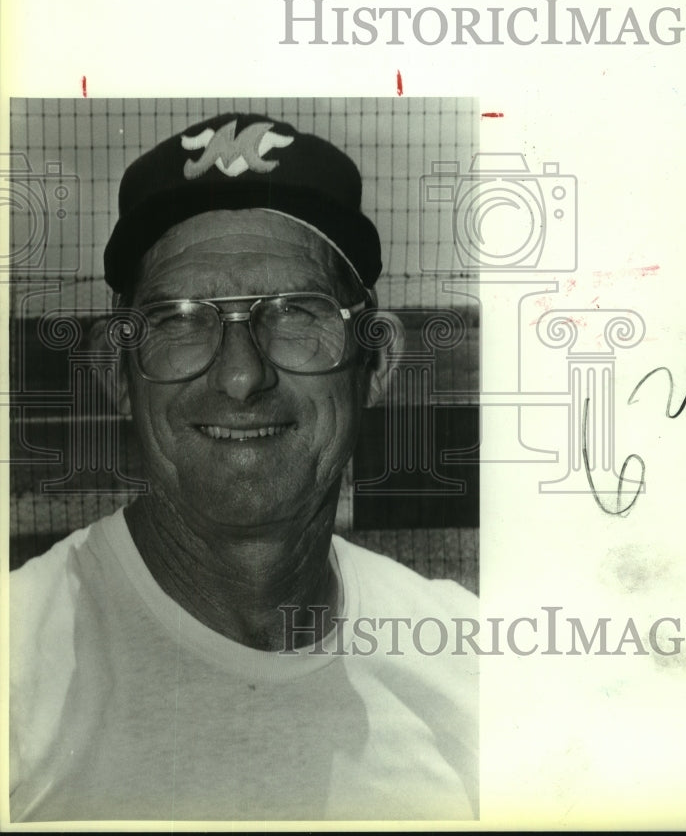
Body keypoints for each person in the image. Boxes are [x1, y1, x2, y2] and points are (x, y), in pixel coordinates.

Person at [8, 112, 478, 823]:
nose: (238, 376)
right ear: (116, 369)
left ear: (374, 362)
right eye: (180, 318)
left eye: (294, 312)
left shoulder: (472, 664)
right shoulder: (14, 668)